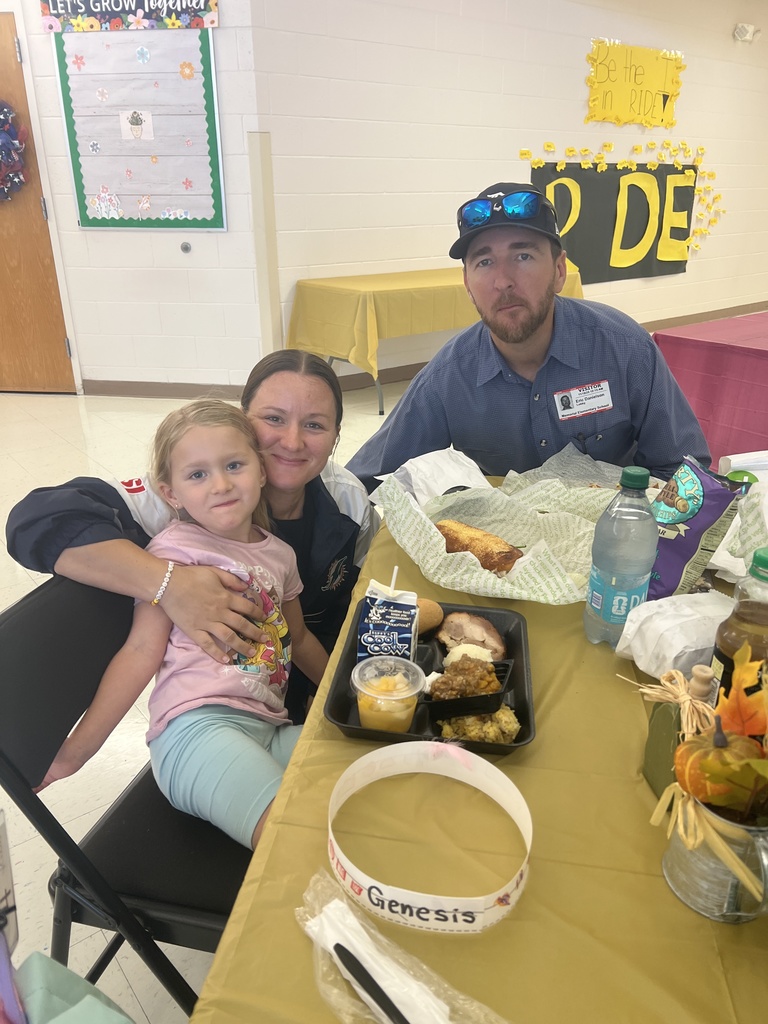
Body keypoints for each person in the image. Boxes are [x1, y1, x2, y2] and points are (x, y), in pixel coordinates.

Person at [6, 351, 379, 723]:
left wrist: (336, 693)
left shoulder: (347, 500)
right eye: (273, 419)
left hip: (303, 692)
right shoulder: (179, 499)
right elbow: (36, 520)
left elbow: (353, 606)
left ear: (336, 437)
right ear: (243, 421)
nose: (293, 442)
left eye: (315, 425)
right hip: (214, 710)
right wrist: (170, 583)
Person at [37, 400, 328, 849]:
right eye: (197, 474)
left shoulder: (280, 555)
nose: (221, 484)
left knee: (361, 778)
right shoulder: (172, 552)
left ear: (262, 469)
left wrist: (343, 692)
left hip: (270, 729)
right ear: (170, 493)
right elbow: (139, 654)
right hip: (197, 733)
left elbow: (300, 637)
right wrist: (74, 754)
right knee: (295, 840)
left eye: (234, 464)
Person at [346, 182, 710, 491]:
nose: (502, 280)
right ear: (467, 285)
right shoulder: (448, 377)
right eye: (484, 262)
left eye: (522, 256)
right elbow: (368, 479)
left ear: (559, 270)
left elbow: (685, 471)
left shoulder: (626, 350)